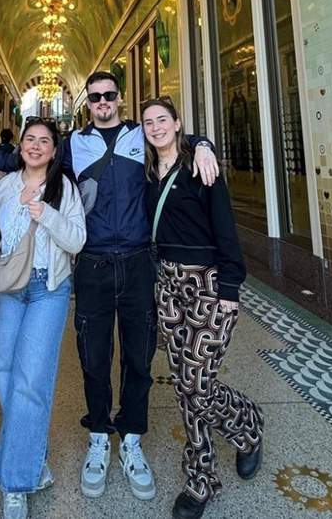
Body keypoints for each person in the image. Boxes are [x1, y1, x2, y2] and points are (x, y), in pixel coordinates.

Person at [58, 71, 220, 500]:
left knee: (138, 357)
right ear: (86, 104)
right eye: (94, 98)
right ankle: (98, 435)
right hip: (91, 265)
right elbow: (29, 162)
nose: (103, 102)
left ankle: (130, 436)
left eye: (109, 95)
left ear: (120, 98)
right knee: (93, 356)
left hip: (137, 262)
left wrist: (203, 144)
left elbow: (173, 136)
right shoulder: (72, 144)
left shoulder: (139, 136)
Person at [141, 97, 264, 519]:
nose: (155, 127)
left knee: (197, 382)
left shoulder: (201, 167)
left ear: (177, 124)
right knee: (184, 383)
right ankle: (219, 457)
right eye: (148, 122)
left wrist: (231, 287)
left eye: (163, 119)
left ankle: (235, 438)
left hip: (208, 284)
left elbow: (225, 228)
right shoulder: (148, 173)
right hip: (168, 285)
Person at [0, 119, 86, 519]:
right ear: (20, 146)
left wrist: (46, 214)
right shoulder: (5, 186)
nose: (36, 146)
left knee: (32, 380)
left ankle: (15, 479)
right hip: (8, 288)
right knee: (6, 371)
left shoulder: (65, 188)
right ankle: (31, 455)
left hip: (48, 289)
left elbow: (77, 239)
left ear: (55, 150)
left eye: (45, 141)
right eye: (30, 139)